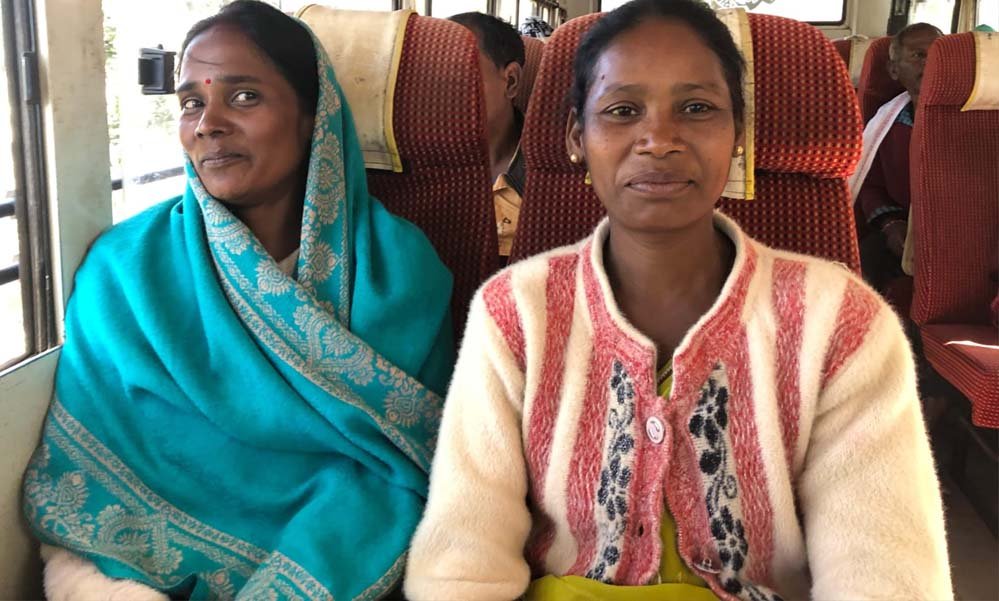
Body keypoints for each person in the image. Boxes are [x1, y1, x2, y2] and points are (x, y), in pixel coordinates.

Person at [405, 1, 952, 600]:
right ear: (576, 139)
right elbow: (462, 562)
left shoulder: (843, 323)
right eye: (622, 111)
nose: (659, 140)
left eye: (696, 108)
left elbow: (886, 574)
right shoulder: (514, 312)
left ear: (737, 136)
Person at [23, 2, 454, 599]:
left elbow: (412, 463)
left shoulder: (399, 270)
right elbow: (90, 485)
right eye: (190, 103)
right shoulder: (125, 273)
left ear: (313, 116)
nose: (208, 124)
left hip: (341, 549)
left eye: (244, 96)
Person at [851, 23, 942, 295]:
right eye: (918, 55)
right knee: (866, 262)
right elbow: (871, 186)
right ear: (893, 70)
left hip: (964, 233)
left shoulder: (979, 122)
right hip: (903, 227)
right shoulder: (886, 123)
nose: (931, 63)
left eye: (938, 54)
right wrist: (891, 225)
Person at [450, 12, 527, 259]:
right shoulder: (416, 164)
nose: (442, 93)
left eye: (460, 76)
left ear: (511, 81)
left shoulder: (553, 174)